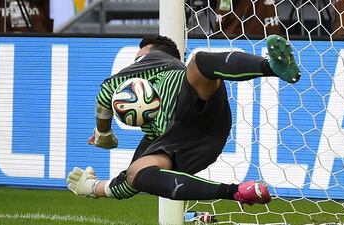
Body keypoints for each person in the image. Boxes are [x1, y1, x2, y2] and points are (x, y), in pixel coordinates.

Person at [67, 34, 301, 205]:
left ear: (150, 53)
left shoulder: (158, 60)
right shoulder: (152, 137)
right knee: (137, 172)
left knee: (199, 64)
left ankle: (273, 66)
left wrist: (104, 134)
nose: (134, 62)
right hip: (193, 137)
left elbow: (106, 91)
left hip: (192, 104)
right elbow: (127, 185)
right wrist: (90, 186)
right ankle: (237, 191)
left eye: (138, 56)